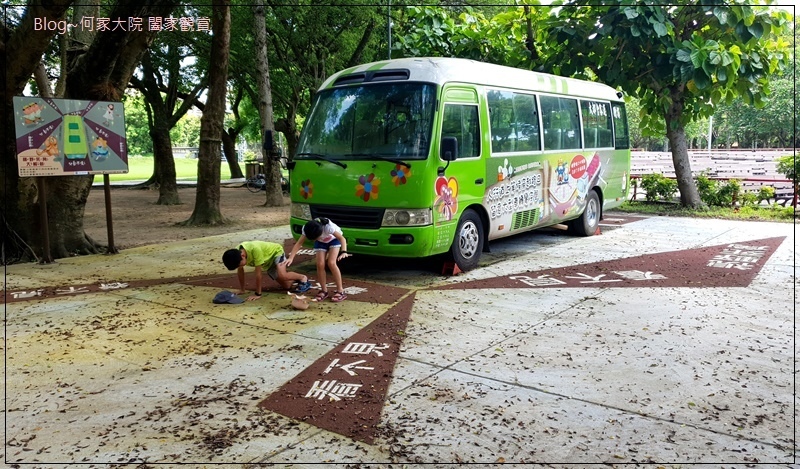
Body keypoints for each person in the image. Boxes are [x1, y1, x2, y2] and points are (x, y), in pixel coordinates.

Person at [286, 217, 350, 302]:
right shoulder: (307, 228)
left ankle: (340, 291)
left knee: (331, 263)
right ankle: (324, 290)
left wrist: (344, 251)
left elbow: (342, 238)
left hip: (334, 240)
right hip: (321, 243)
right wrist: (291, 257)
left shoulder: (328, 227)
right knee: (320, 264)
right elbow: (299, 243)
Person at [222, 241, 311, 301]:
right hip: (267, 263)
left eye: (240, 265)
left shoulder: (254, 250)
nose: (240, 266)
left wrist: (258, 294)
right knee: (287, 286)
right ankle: (292, 278)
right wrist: (242, 289)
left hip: (276, 253)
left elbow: (258, 275)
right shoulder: (235, 254)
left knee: (283, 275)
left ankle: (303, 278)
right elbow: (240, 272)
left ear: (242, 255)